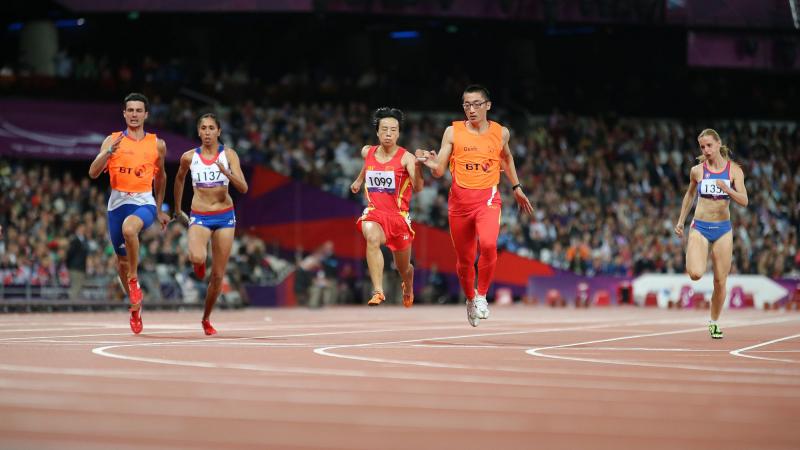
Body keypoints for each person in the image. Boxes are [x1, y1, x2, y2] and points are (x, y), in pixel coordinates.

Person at [417, 85, 533, 326]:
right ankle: (470, 299)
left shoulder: (501, 133)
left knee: (489, 245)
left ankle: (481, 295)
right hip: (458, 205)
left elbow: (507, 158)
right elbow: (439, 170)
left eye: (477, 104)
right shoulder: (452, 132)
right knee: (465, 260)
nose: (471, 109)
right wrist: (428, 162)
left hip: (487, 200)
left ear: (487, 105)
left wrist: (516, 186)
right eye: (467, 105)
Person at [88, 93, 170, 334]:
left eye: (138, 110)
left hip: (143, 201)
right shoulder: (111, 140)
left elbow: (161, 176)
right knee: (120, 262)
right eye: (130, 110)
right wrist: (106, 154)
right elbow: (93, 173)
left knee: (129, 229)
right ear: (124, 114)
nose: (134, 115)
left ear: (146, 114)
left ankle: (134, 281)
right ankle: (135, 307)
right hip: (117, 203)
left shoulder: (157, 144)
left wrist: (159, 207)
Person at [173, 113, 248, 335]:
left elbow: (243, 187)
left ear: (219, 131)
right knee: (197, 257)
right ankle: (199, 263)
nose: (207, 132)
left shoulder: (229, 155)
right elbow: (179, 179)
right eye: (203, 128)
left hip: (225, 216)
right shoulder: (189, 157)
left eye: (211, 128)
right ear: (198, 132)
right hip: (200, 215)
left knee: (217, 276)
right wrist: (177, 209)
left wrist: (228, 174)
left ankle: (206, 318)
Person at [674, 128, 748, 339]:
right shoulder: (697, 171)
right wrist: (681, 221)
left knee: (720, 281)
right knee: (696, 273)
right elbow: (689, 196)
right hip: (700, 226)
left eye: (708, 145)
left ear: (718, 144)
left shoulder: (734, 171)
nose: (705, 150)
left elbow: (744, 201)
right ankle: (694, 250)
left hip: (723, 229)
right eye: (702, 147)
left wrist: (727, 189)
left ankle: (714, 322)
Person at [350, 107, 423, 307]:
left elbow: (418, 188)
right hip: (375, 213)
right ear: (377, 132)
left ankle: (408, 284)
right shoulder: (368, 151)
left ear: (399, 133)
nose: (388, 134)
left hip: (398, 217)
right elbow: (368, 165)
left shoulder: (407, 158)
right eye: (384, 129)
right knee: (372, 238)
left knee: (403, 267)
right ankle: (378, 291)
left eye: (393, 130)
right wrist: (358, 181)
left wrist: (417, 168)